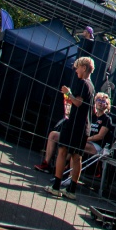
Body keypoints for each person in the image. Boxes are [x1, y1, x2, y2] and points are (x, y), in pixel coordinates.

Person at [46, 57, 95, 200]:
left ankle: (56, 186)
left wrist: (68, 93)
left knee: (62, 151)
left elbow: (78, 103)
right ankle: (72, 189)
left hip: (74, 125)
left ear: (84, 68)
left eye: (78, 67)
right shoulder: (91, 85)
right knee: (76, 156)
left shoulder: (83, 83)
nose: (76, 70)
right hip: (83, 126)